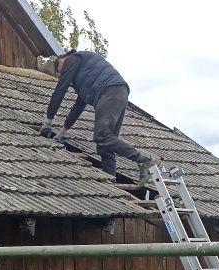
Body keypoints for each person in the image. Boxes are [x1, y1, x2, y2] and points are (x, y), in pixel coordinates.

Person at [39, 50, 155, 179]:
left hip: (110, 90)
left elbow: (60, 90)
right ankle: (111, 183)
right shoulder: (83, 74)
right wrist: (63, 131)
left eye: (60, 71)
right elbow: (78, 106)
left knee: (101, 135)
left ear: (61, 61)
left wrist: (48, 121)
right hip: (119, 93)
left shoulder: (71, 59)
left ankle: (144, 161)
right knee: (105, 145)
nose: (62, 74)